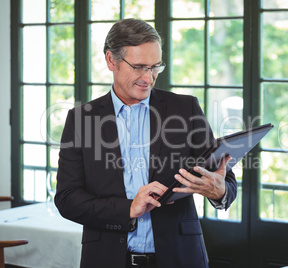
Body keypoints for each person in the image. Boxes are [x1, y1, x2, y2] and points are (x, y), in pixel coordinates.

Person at [55, 18, 237, 268]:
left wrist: (220, 191)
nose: (148, 78)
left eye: (155, 67)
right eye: (139, 67)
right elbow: (67, 199)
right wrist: (128, 208)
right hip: (107, 260)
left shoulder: (185, 109)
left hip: (180, 258)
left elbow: (224, 179)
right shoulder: (81, 119)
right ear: (111, 61)